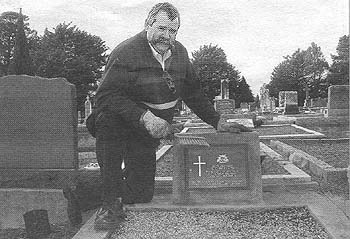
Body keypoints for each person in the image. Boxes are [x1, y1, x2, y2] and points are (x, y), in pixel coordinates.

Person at [65, 2, 249, 230]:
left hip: (146, 133)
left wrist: (217, 121)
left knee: (142, 193)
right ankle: (109, 205)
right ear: (147, 24)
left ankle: (81, 189)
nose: (166, 36)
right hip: (120, 123)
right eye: (161, 28)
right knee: (108, 122)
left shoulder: (180, 53)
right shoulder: (126, 52)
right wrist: (145, 118)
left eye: (172, 31)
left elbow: (192, 92)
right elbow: (106, 96)